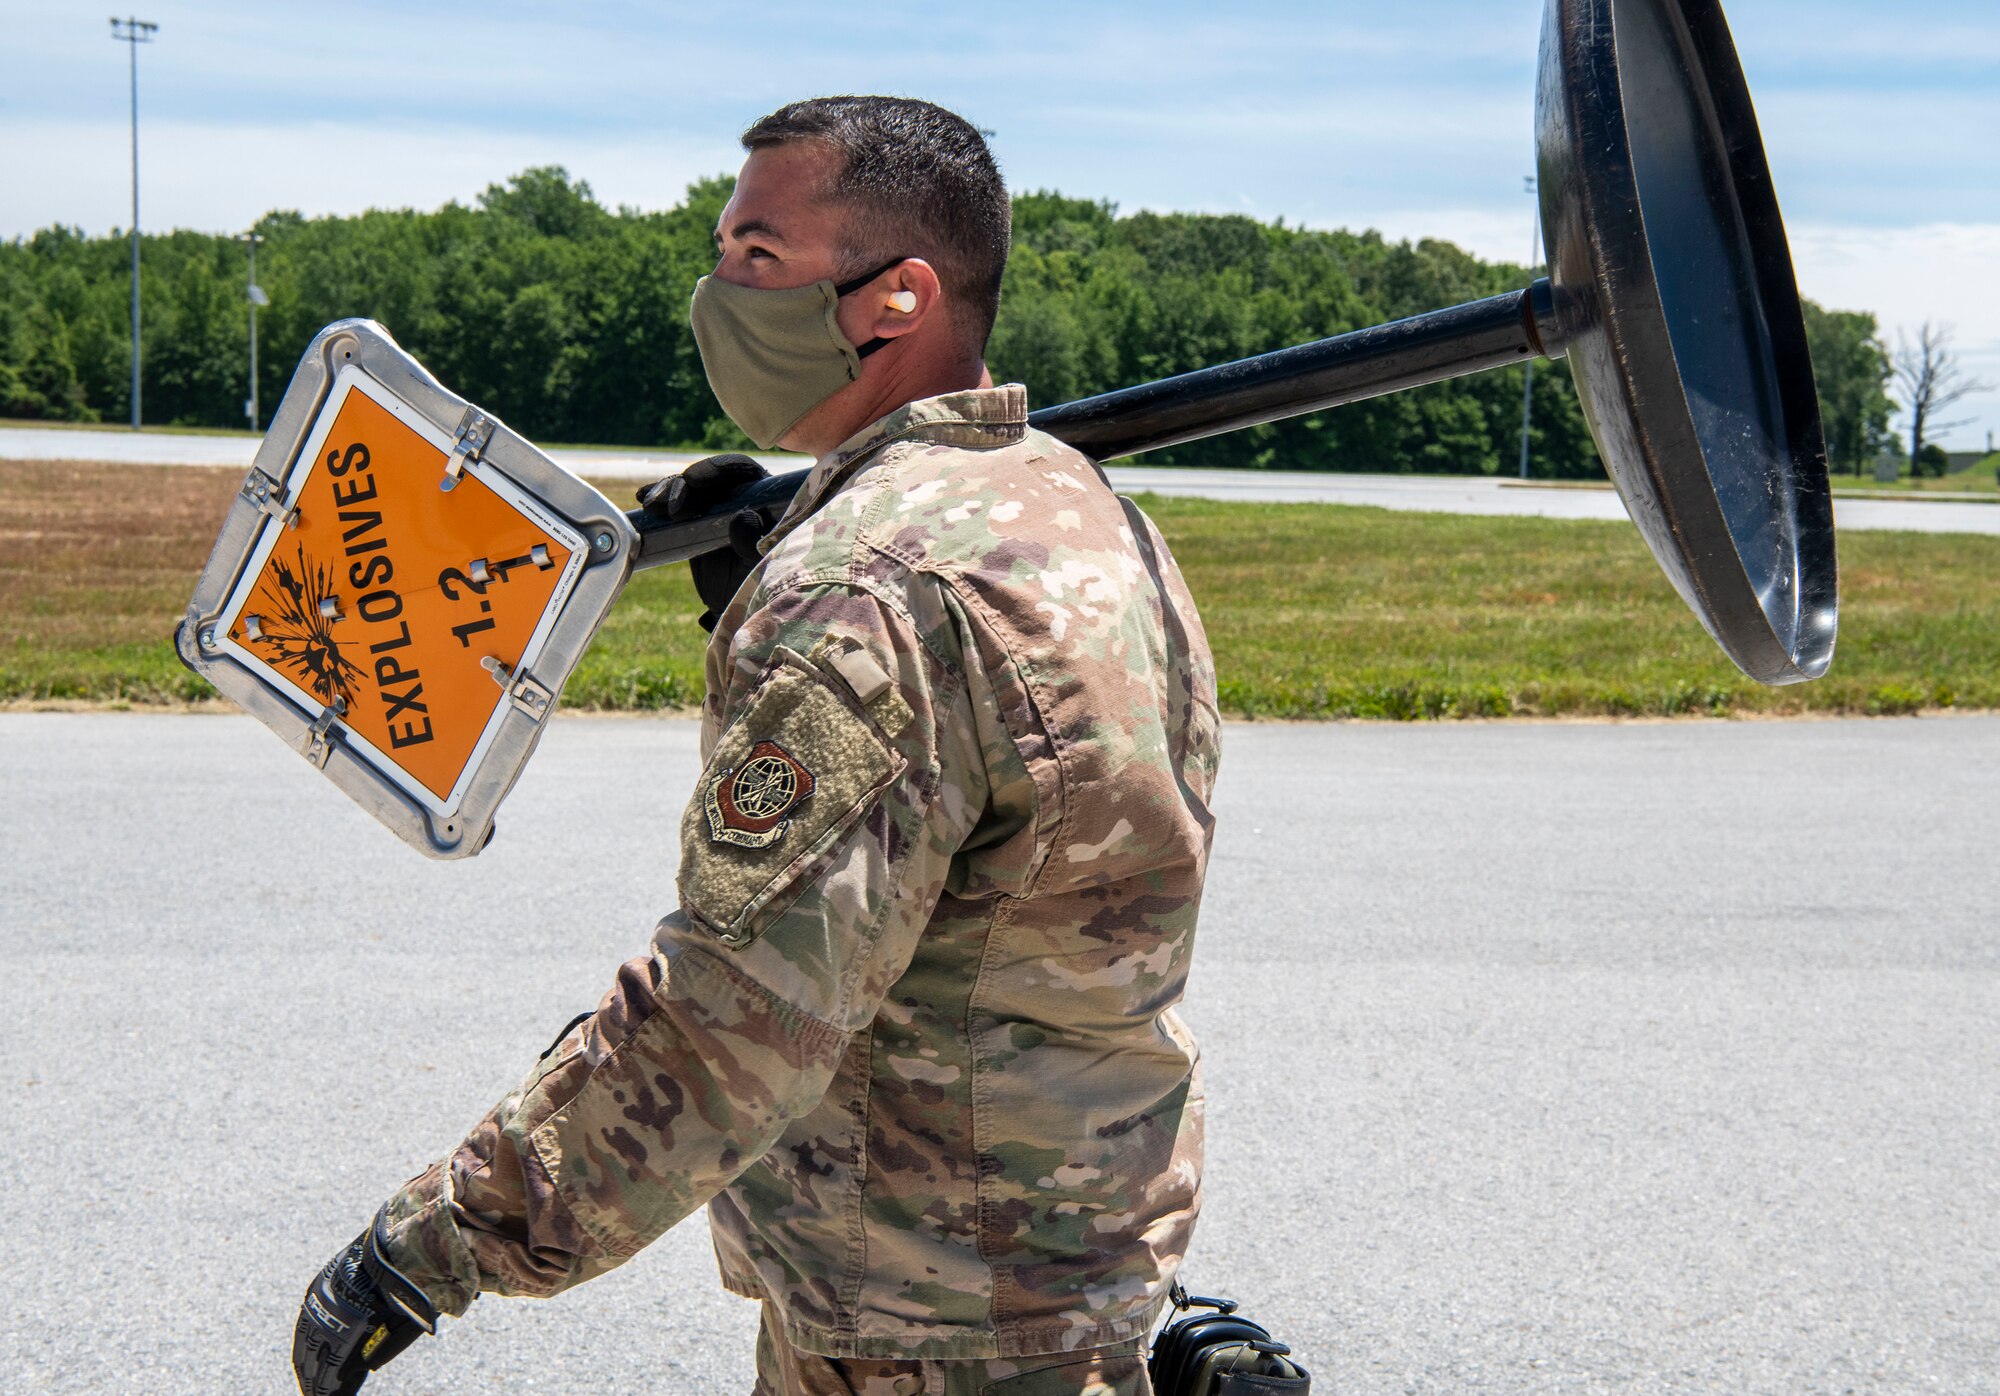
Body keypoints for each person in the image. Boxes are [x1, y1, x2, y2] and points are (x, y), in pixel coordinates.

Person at [293, 95, 1221, 1396]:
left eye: (759, 261)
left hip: (915, 1329)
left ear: (895, 298)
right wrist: (773, 575)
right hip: (1068, 1284)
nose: (715, 291)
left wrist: (436, 1244)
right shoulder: (1075, 509)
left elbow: (733, 1024)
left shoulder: (866, 592)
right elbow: (1024, 868)